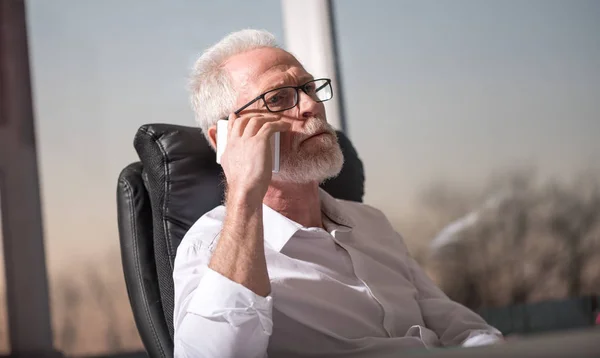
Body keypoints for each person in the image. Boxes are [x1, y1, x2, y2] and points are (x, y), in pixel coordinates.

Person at [173, 29, 502, 358]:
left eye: (309, 88)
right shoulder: (208, 244)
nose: (312, 106)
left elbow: (461, 329)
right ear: (225, 139)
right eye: (277, 98)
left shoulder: (371, 223)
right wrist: (244, 193)